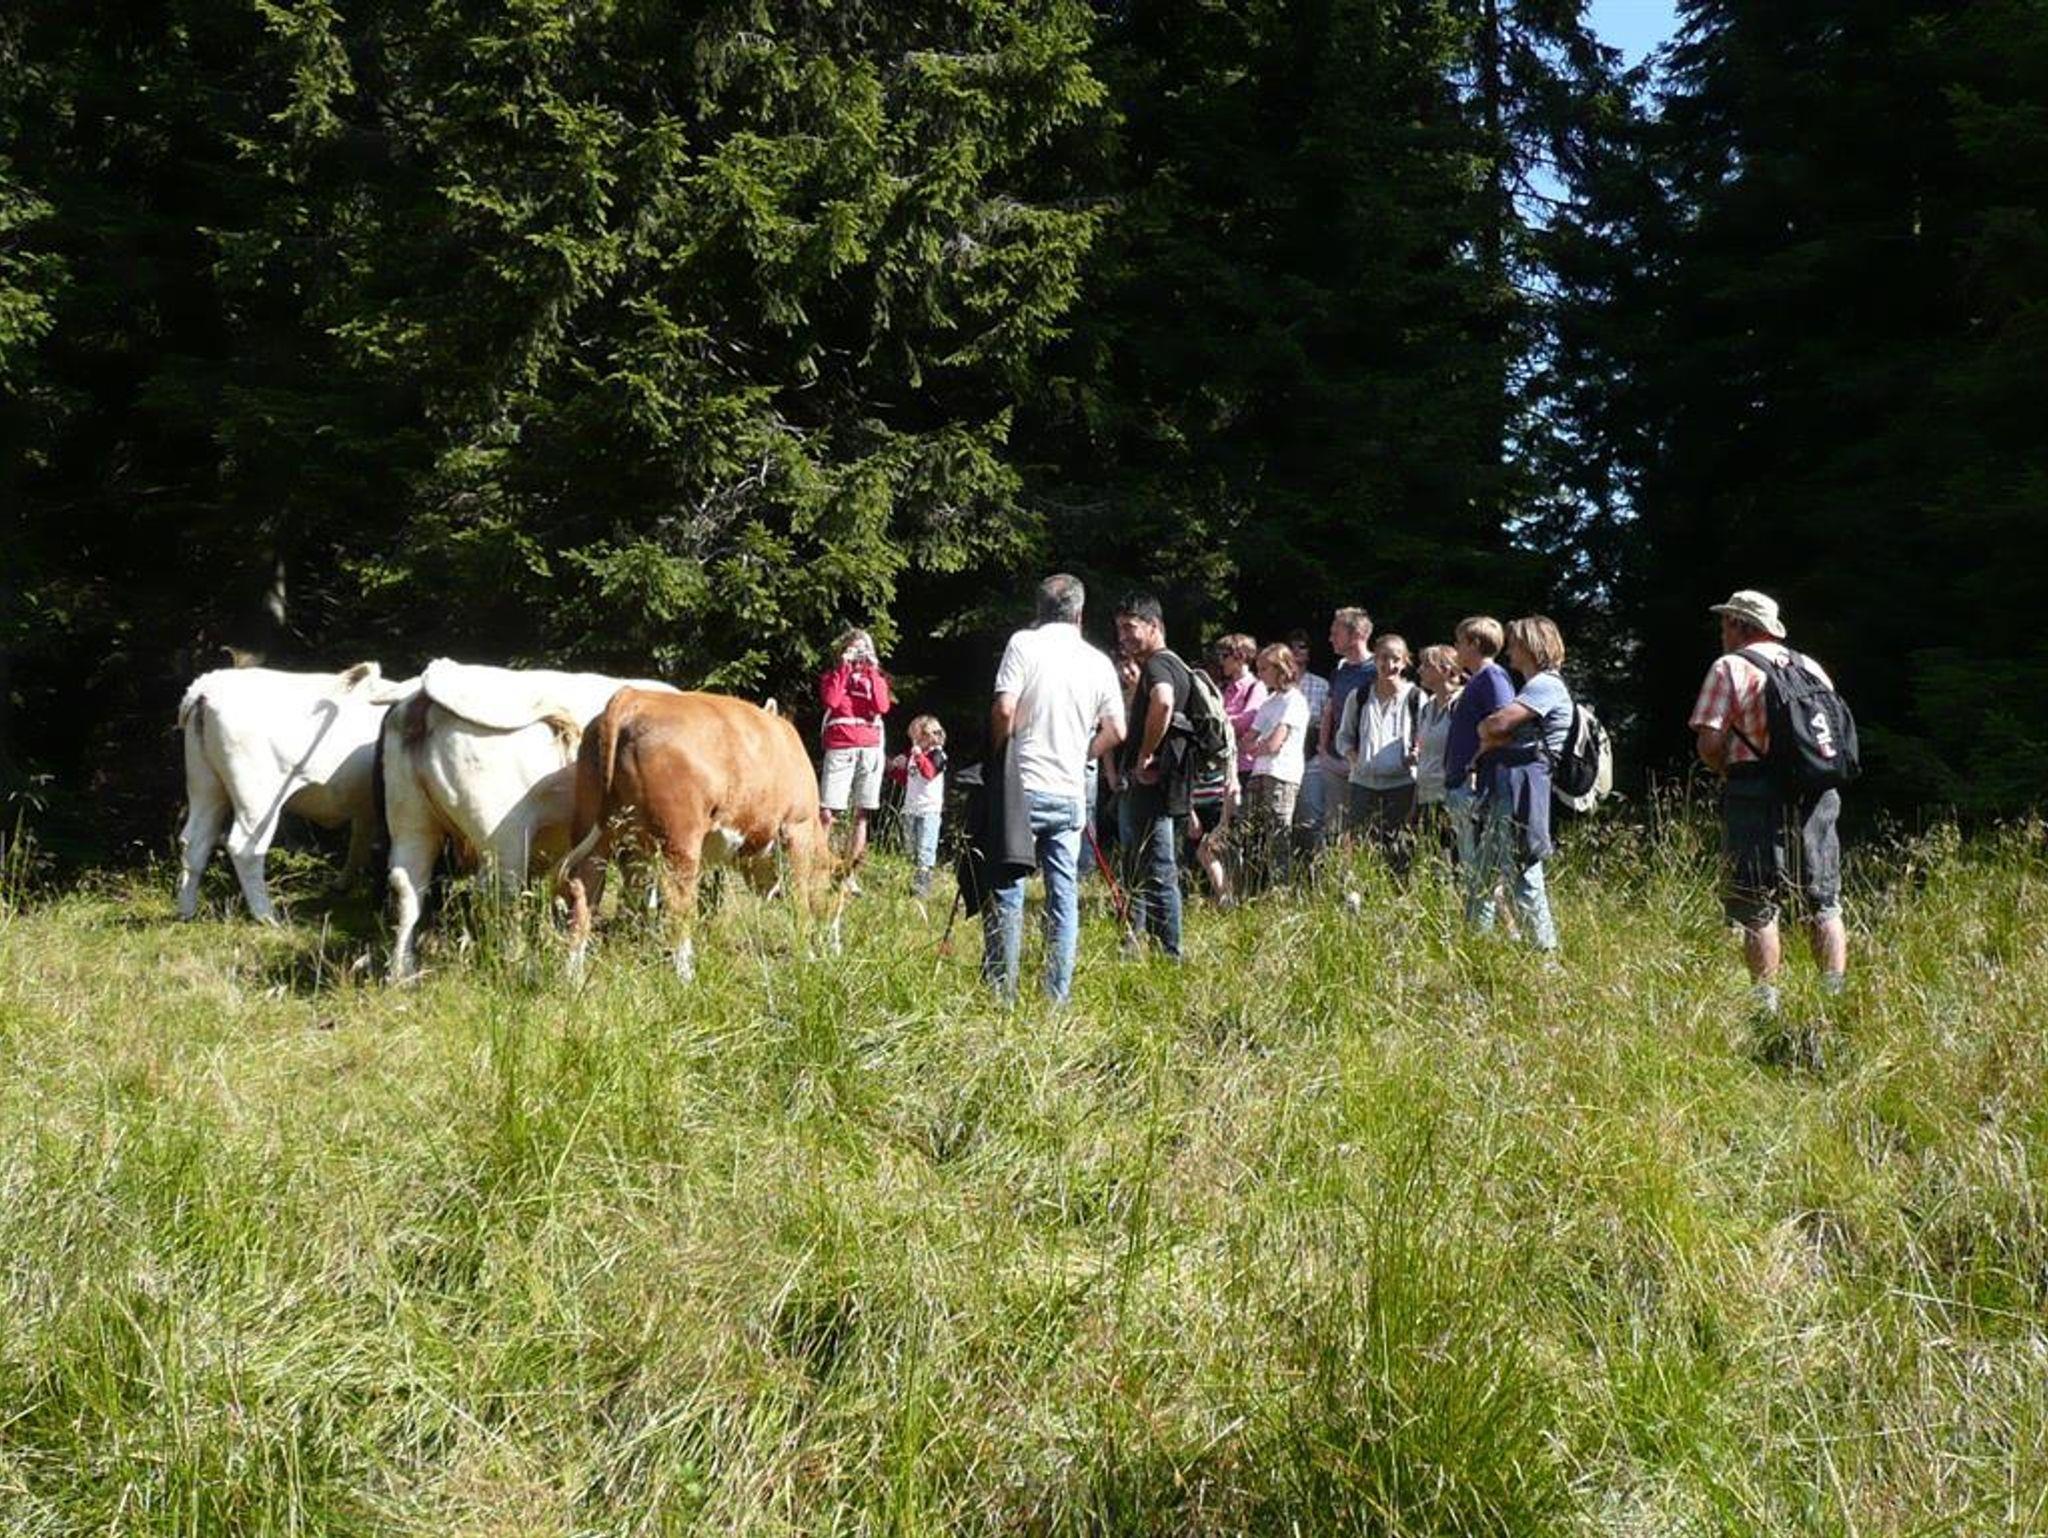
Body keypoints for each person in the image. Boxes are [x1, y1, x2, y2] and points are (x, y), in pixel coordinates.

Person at [1689, 588, 1848, 1020]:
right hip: (1817, 791)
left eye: (1725, 622)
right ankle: (1833, 1000)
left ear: (1739, 625)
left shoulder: (1729, 667)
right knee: (1824, 899)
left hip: (1754, 790)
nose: (1722, 631)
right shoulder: (1809, 666)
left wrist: (1726, 771)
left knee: (1757, 901)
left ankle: (1766, 1008)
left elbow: (1709, 742)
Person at [983, 574, 1126, 1004]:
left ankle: (1002, 996)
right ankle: (1056, 997)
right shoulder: (1098, 662)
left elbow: (1004, 708)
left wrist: (1000, 753)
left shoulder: (1024, 644)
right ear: (1080, 614)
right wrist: (1084, 754)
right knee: (1063, 897)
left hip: (1022, 787)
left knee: (1008, 890)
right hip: (1069, 793)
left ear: (1039, 609)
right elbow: (1117, 730)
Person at [1471, 615, 1572, 953]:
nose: (1509, 650)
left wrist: (1488, 728)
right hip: (1515, 784)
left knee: (1523, 868)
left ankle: (1544, 956)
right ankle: (1476, 943)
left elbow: (1496, 725)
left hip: (1524, 787)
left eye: (1514, 643)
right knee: (1485, 871)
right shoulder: (1535, 687)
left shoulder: (1545, 685)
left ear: (1531, 647)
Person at [1111, 594, 1194, 959]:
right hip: (1164, 783)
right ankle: (1144, 944)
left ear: (1154, 625)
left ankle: (1170, 956)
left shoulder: (1159, 665)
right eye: (1119, 629)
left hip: (1153, 785)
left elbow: (1163, 701)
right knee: (1145, 865)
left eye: (1130, 627)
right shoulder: (1174, 664)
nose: (1123, 636)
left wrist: (1145, 753)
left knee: (1159, 869)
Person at [1198, 641, 1308, 899]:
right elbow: (1249, 740)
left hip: (1282, 775)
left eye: (1265, 668)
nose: (1261, 674)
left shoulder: (1294, 700)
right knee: (1249, 833)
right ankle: (1246, 890)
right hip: (1259, 773)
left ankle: (1280, 891)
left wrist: (1257, 746)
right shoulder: (1270, 702)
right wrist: (1258, 746)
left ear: (1282, 669)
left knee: (1278, 835)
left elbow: (1273, 743)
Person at [1336, 633, 1421, 874]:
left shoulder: (1416, 697)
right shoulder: (1359, 696)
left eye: (1396, 659)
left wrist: (1418, 752)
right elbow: (1343, 737)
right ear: (1375, 660)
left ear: (1405, 662)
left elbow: (1426, 737)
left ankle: (1399, 894)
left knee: (1399, 850)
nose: (1389, 665)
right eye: (1383, 658)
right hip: (1362, 785)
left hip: (1402, 785)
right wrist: (1354, 758)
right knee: (1361, 849)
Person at [817, 627, 893, 888]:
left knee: (862, 813)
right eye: (855, 648)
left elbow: (882, 706)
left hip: (870, 748)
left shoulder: (876, 678)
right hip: (841, 747)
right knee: (827, 812)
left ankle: (849, 874)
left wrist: (873, 671)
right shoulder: (833, 675)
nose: (860, 653)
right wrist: (844, 668)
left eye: (865, 648)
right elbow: (831, 700)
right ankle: (818, 869)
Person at [1444, 616, 1514, 875]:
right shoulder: (1477, 679)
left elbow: (1504, 726)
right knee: (1470, 866)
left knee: (1480, 868)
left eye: (1459, 642)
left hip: (1477, 786)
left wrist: (1474, 762)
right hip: (1464, 784)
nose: (1456, 648)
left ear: (1474, 644)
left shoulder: (1492, 676)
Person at [1307, 607, 1376, 850]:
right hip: (1336, 761)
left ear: (1356, 635)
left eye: (1336, 633)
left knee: (1365, 827)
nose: (1330, 638)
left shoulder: (1377, 670)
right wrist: (1323, 750)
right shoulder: (1340, 671)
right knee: (1335, 827)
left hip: (1367, 762)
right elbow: (1329, 711)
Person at [1410, 643, 1464, 862]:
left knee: (1456, 861)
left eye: (1426, 665)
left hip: (1452, 798)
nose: (1419, 670)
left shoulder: (1462, 704)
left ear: (1445, 669)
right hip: (1426, 795)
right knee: (1432, 863)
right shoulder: (1427, 707)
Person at [886, 715, 948, 898]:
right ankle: (909, 880)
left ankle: (922, 885)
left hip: (929, 811)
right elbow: (909, 779)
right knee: (910, 847)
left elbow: (929, 772)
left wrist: (918, 756)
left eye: (918, 738)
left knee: (925, 849)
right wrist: (893, 768)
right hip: (911, 808)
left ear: (929, 736)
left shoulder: (938, 755)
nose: (914, 742)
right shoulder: (913, 756)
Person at [1287, 628, 1331, 846]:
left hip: (1311, 761)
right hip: (1284, 761)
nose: (1297, 651)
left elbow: (1328, 723)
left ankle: (1316, 863)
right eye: (1292, 647)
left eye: (1302, 647)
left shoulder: (1321, 685)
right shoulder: (1275, 685)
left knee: (1313, 818)